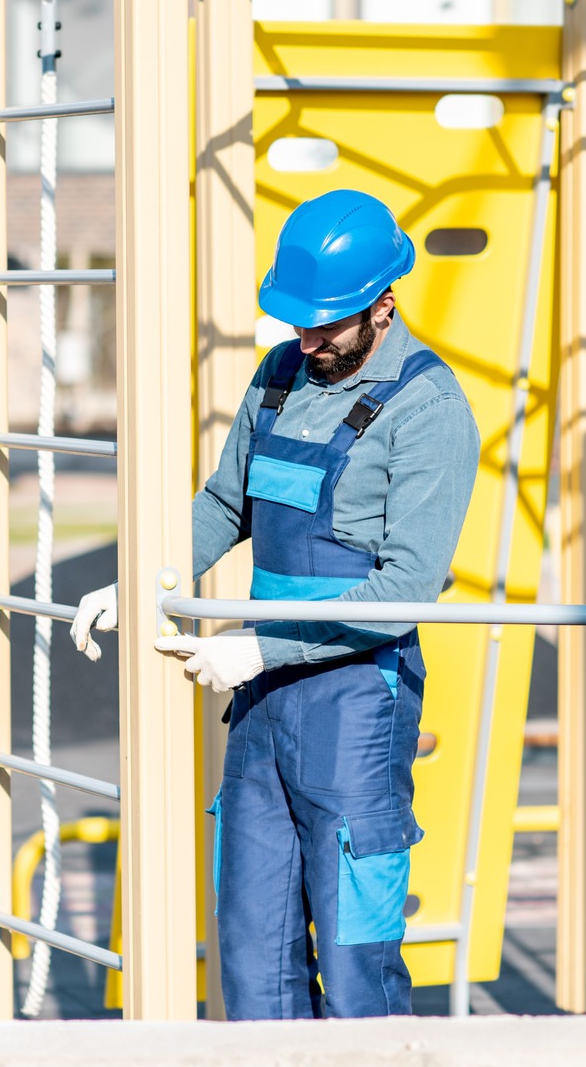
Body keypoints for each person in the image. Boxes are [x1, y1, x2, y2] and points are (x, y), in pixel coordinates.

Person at [69, 188, 479, 1019]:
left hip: (358, 701)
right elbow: (226, 505)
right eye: (298, 321)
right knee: (253, 956)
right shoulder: (279, 374)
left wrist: (259, 648)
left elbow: (405, 589)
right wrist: (143, 580)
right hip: (261, 707)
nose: (309, 339)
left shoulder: (430, 410)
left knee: (357, 956)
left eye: (327, 324)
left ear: (384, 302)